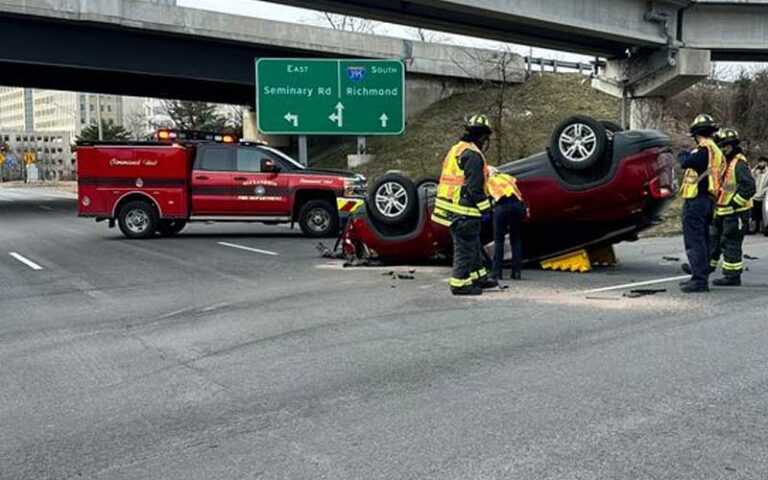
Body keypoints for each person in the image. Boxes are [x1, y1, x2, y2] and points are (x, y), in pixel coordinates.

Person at [432, 114, 498, 296]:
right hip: (464, 211)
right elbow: (475, 188)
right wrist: (487, 209)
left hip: (451, 209)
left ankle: (479, 277)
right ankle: (459, 283)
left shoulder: (457, 149)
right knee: (465, 248)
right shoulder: (474, 155)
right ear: (483, 136)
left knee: (472, 244)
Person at [678, 114, 725, 293]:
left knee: (695, 240)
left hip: (696, 200)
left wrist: (683, 153)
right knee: (703, 239)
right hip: (708, 200)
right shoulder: (717, 151)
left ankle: (699, 280)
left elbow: (687, 162)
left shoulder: (703, 149)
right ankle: (700, 276)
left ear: (697, 134)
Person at [708, 128, 756, 286]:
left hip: (736, 213)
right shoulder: (725, 162)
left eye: (726, 146)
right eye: (721, 146)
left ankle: (732, 276)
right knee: (713, 240)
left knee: (731, 243)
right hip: (722, 211)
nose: (723, 149)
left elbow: (749, 187)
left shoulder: (739, 163)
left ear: (733, 145)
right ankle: (704, 267)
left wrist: (734, 203)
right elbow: (727, 186)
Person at [486, 170, 525, 281]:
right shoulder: (507, 177)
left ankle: (497, 273)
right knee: (516, 239)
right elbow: (518, 192)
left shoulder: (488, 181)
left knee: (499, 240)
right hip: (517, 206)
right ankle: (516, 273)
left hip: (502, 207)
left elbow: (486, 196)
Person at [751, 157, 768, 233]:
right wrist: (755, 168)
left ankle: (763, 227)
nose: (760, 163)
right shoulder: (757, 172)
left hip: (764, 195)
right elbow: (751, 175)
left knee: (763, 213)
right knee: (754, 212)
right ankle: (755, 228)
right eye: (759, 162)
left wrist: (764, 191)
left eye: (762, 162)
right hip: (755, 195)